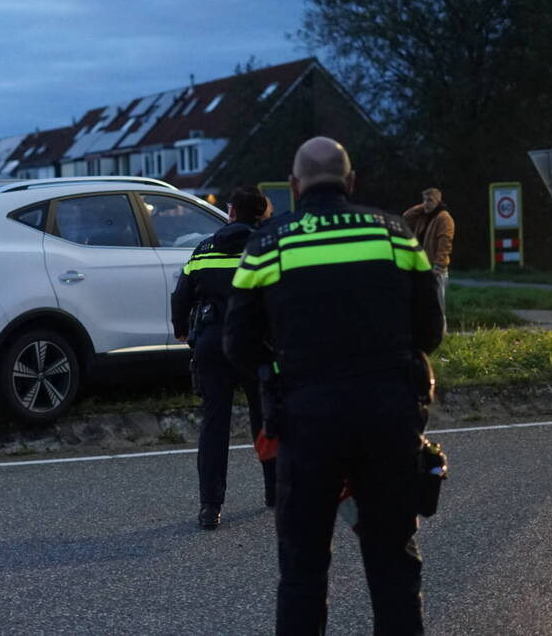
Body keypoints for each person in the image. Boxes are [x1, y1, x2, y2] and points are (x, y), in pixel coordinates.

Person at [223, 137, 444, 635]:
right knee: (394, 568)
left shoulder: (269, 242)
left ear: (295, 186)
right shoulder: (395, 234)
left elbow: (236, 343)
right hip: (389, 416)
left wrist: (277, 372)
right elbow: (431, 331)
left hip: (307, 422)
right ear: (351, 182)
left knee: (303, 574)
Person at [171, 186, 275, 530]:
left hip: (213, 344)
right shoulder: (265, 247)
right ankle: (275, 492)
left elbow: (181, 295)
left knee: (215, 423)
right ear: (261, 215)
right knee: (266, 418)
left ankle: (210, 507)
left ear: (230, 213)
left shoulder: (203, 248)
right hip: (255, 343)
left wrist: (181, 330)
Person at [403, 188, 454, 324]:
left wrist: (439, 264)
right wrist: (425, 206)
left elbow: (445, 242)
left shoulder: (444, 217)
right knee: (424, 307)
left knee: (438, 307)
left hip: (436, 269)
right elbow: (406, 217)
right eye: (424, 200)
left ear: (438, 201)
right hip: (423, 268)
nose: (426, 203)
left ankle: (442, 336)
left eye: (430, 200)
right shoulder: (423, 216)